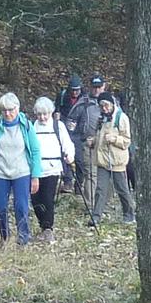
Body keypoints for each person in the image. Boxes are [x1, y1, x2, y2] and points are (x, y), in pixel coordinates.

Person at [0, 93, 42, 247]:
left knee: (21, 206)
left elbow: (35, 151)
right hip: (0, 172)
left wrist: (35, 176)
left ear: (17, 108)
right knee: (0, 207)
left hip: (21, 172)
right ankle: (4, 236)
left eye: (10, 110)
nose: (7, 114)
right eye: (4, 110)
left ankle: (23, 237)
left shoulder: (26, 125)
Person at [31, 96, 74, 243]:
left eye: (45, 114)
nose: (42, 117)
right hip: (35, 169)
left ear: (51, 112)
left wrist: (69, 155)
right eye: (39, 114)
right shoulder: (32, 127)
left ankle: (48, 228)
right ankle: (43, 225)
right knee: (35, 199)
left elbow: (67, 143)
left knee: (47, 198)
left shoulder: (58, 126)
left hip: (52, 168)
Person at [88, 92, 135, 225]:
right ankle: (96, 217)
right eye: (101, 106)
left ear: (112, 104)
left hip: (117, 161)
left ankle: (129, 214)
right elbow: (100, 137)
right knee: (100, 190)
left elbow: (126, 141)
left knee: (122, 189)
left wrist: (114, 139)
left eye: (106, 105)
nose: (104, 108)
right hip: (103, 160)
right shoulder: (101, 119)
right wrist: (93, 142)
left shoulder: (121, 118)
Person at [66, 75, 104, 209]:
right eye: (94, 87)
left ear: (104, 87)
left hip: (107, 144)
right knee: (91, 174)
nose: (96, 90)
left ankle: (102, 203)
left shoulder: (111, 102)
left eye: (99, 87)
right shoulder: (83, 103)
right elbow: (71, 121)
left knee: (107, 175)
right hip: (87, 144)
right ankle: (90, 205)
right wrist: (72, 139)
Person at [54, 75, 84, 192]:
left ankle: (79, 185)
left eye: (77, 89)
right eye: (73, 89)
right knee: (65, 156)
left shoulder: (84, 98)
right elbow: (57, 109)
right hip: (65, 130)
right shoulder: (62, 96)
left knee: (79, 160)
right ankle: (68, 182)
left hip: (79, 132)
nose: (75, 92)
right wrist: (57, 116)